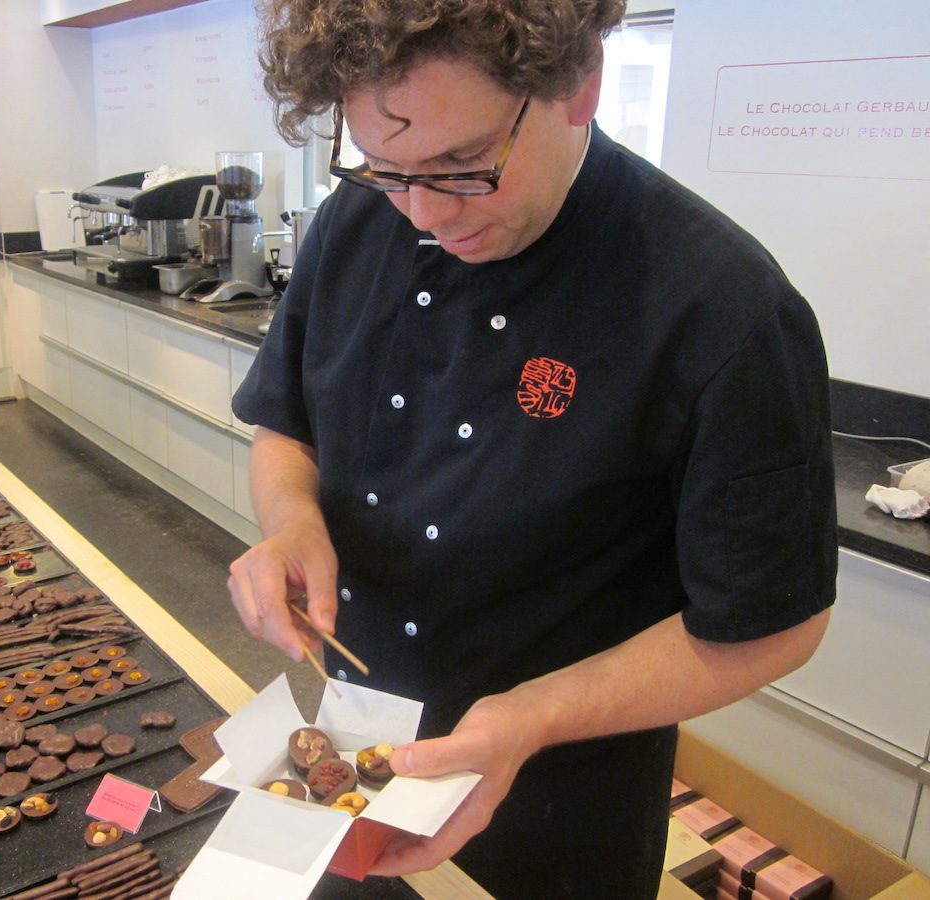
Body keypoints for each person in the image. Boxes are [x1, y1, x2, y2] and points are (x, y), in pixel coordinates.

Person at [226, 1, 837, 897]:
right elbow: (288, 425)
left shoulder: (724, 309)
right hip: (355, 743)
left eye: (463, 167)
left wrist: (532, 715)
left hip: (563, 797)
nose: (424, 214)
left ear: (579, 86)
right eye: (386, 169)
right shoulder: (354, 228)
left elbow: (775, 623)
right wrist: (290, 523)